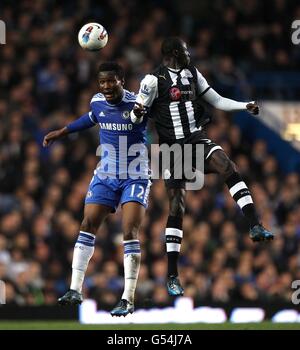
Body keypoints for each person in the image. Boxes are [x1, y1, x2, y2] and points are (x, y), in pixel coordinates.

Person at [131, 37, 274, 297]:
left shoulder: (192, 74)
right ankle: (172, 274)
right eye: (185, 51)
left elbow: (217, 100)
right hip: (173, 149)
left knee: (227, 165)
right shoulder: (152, 81)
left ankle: (255, 224)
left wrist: (245, 106)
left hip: (196, 138)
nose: (190, 54)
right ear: (174, 53)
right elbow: (135, 114)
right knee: (177, 206)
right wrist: (138, 113)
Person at [43, 62, 151, 316]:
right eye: (102, 82)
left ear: (121, 81)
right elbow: (91, 119)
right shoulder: (97, 102)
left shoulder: (137, 104)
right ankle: (74, 289)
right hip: (106, 174)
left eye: (111, 81)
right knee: (87, 224)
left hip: (135, 175)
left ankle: (128, 298)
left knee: (129, 231)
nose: (106, 86)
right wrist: (62, 132)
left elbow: (154, 118)